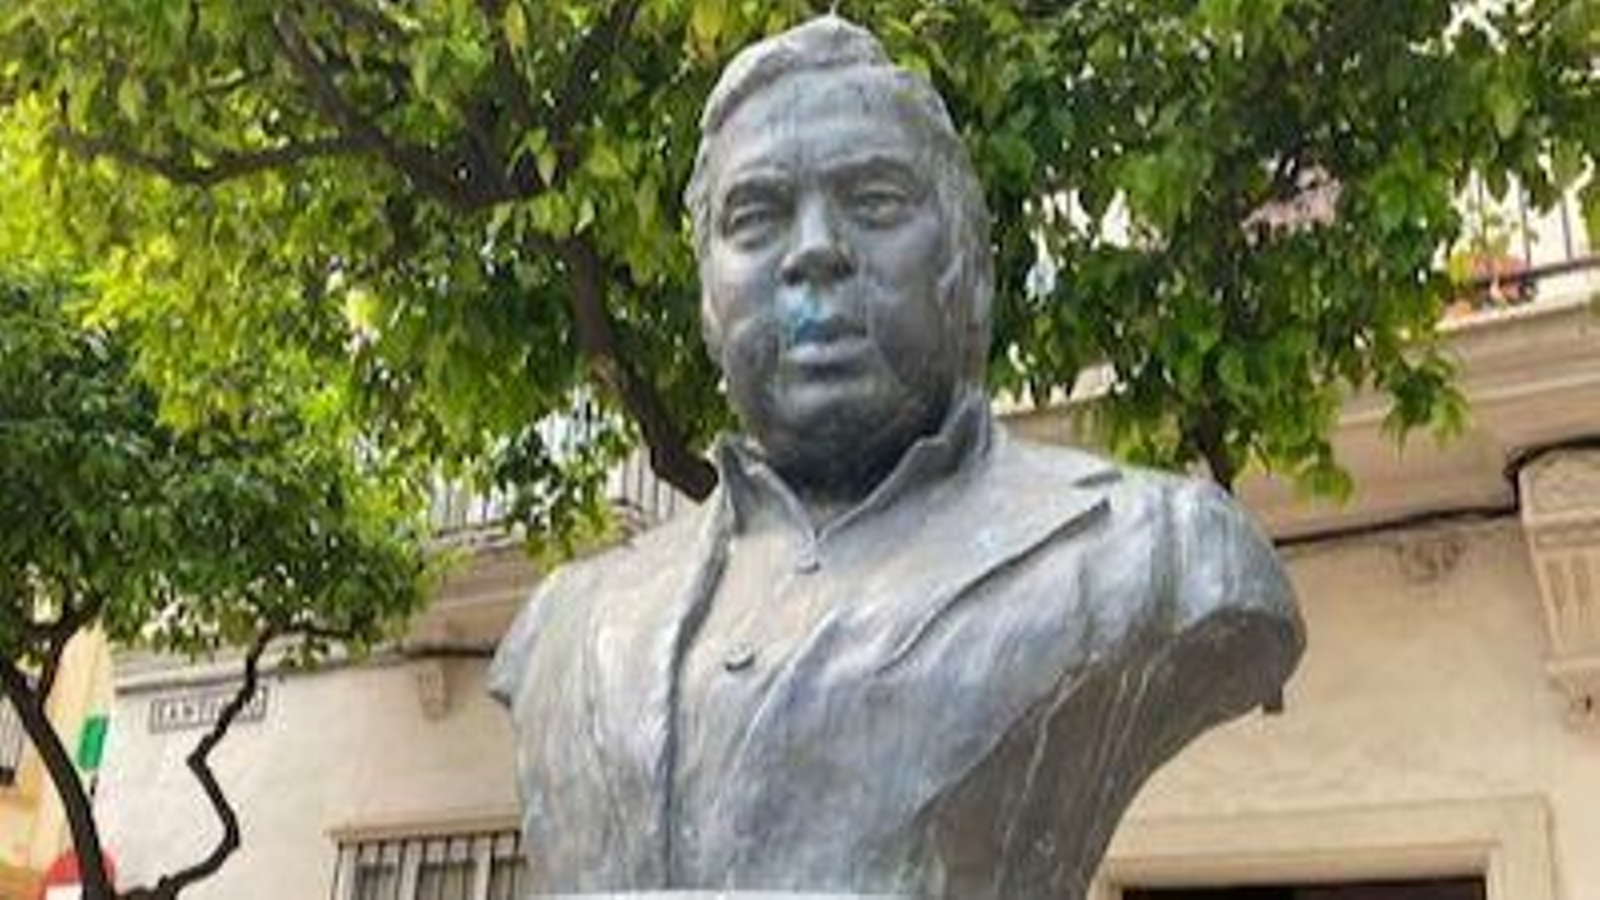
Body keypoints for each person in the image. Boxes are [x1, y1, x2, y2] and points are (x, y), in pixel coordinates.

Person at [490, 16, 1303, 899]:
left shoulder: (1161, 554)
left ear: (967, 264)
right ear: (709, 301)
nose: (814, 253)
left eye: (873, 202)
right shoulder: (569, 627)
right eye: (756, 217)